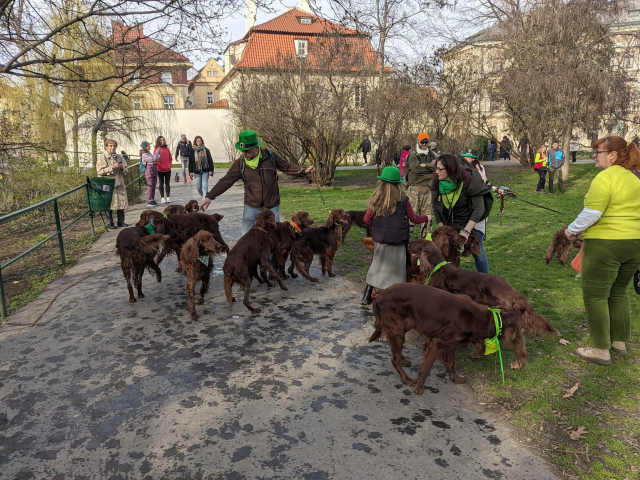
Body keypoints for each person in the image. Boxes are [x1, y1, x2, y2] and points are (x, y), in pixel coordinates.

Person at [564, 136, 640, 365]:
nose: (594, 156)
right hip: (635, 243)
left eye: (598, 152)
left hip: (606, 244)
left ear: (613, 155)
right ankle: (619, 341)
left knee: (595, 295)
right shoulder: (635, 177)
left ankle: (599, 349)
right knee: (618, 291)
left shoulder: (606, 177)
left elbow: (592, 214)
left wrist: (569, 232)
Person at [199, 130, 315, 234]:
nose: (244, 153)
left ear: (256, 147)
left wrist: (304, 171)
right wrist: (209, 196)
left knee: (273, 239)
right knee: (247, 238)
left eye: (247, 151)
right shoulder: (240, 163)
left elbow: (287, 167)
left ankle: (269, 259)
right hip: (251, 207)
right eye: (242, 151)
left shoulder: (270, 156)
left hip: (272, 207)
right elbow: (225, 181)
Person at [361, 166, 431, 304]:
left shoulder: (376, 199)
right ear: (398, 184)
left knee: (376, 266)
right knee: (396, 271)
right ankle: (393, 297)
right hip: (398, 242)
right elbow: (413, 218)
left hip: (381, 241)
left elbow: (366, 219)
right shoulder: (403, 200)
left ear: (381, 183)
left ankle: (367, 295)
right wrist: (427, 218)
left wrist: (378, 224)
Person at [431, 153, 493, 273]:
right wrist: (443, 229)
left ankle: (485, 280)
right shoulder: (436, 182)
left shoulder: (470, 180)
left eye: (440, 169)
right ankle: (450, 278)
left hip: (473, 219)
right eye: (436, 168)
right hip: (452, 219)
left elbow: (479, 208)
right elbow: (436, 207)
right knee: (448, 250)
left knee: (477, 251)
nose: (436, 172)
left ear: (450, 169)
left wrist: (466, 232)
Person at [405, 133, 436, 228]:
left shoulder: (431, 154)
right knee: (411, 215)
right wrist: (430, 170)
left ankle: (424, 239)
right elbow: (416, 170)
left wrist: (426, 165)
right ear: (418, 141)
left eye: (426, 142)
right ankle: (407, 238)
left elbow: (437, 166)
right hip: (414, 188)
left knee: (426, 216)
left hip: (428, 188)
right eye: (422, 142)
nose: (424, 144)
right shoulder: (413, 155)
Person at [97, 139, 129, 228]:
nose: (112, 147)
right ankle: (109, 223)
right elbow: (99, 171)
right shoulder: (102, 157)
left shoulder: (120, 157)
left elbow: (126, 170)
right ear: (107, 147)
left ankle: (121, 221)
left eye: (114, 146)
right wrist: (112, 167)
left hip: (119, 182)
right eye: (110, 146)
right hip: (108, 184)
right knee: (109, 203)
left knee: (121, 202)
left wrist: (122, 167)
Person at [188, 135, 214, 200]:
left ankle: (205, 198)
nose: (199, 142)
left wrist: (211, 170)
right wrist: (190, 172)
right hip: (197, 171)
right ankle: (201, 194)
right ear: (195, 142)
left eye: (200, 141)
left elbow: (210, 160)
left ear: (202, 142)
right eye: (197, 141)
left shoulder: (206, 150)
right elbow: (190, 162)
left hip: (205, 170)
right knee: (198, 186)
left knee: (205, 185)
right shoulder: (192, 151)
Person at [140, 140, 160, 206]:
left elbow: (156, 159)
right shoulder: (144, 155)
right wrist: (157, 152)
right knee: (150, 186)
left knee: (154, 186)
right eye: (148, 145)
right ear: (145, 147)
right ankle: (149, 200)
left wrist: (158, 152)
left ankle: (152, 199)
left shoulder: (148, 153)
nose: (150, 146)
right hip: (149, 172)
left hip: (153, 171)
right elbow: (153, 159)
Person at [154, 136, 173, 203]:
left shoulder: (167, 149)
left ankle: (168, 197)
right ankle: (162, 198)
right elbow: (155, 159)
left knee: (167, 183)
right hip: (160, 170)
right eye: (161, 140)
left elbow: (170, 158)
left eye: (163, 140)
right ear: (158, 141)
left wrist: (169, 165)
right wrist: (159, 166)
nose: (163, 141)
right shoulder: (156, 149)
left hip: (168, 169)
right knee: (161, 184)